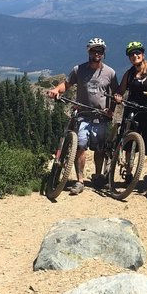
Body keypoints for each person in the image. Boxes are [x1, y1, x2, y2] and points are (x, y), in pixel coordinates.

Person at [46, 37, 119, 195]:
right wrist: (56, 91)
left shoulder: (110, 73)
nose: (97, 54)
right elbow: (66, 84)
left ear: (103, 53)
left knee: (99, 149)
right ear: (89, 52)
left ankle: (98, 176)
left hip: (100, 116)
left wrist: (111, 109)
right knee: (80, 146)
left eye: (99, 51)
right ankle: (80, 181)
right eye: (94, 50)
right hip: (83, 115)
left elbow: (116, 93)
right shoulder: (79, 70)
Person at [114, 41, 147, 187]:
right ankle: (129, 173)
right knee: (129, 144)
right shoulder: (129, 74)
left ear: (143, 54)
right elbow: (120, 90)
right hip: (132, 110)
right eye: (131, 54)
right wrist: (118, 96)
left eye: (137, 53)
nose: (135, 56)